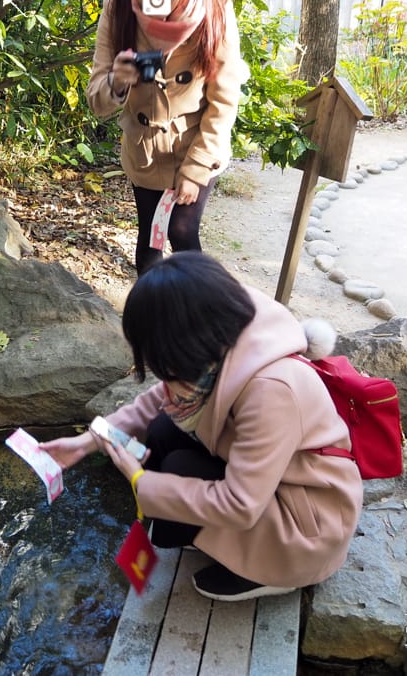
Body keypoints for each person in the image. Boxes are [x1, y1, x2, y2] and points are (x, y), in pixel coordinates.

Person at [39, 252, 363, 601]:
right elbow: (158, 400)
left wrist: (144, 484)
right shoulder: (222, 334)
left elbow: (240, 503)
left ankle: (272, 572)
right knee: (164, 429)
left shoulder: (272, 391)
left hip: (307, 528)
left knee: (179, 470)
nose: (159, 371)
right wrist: (89, 441)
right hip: (275, 484)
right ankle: (217, 538)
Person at [85, 0, 248, 276]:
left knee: (182, 232)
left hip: (196, 143)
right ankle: (153, 320)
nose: (153, 4)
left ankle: (199, 314)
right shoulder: (118, 7)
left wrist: (196, 168)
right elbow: (96, 98)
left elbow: (224, 101)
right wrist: (117, 80)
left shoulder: (214, 7)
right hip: (144, 151)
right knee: (150, 240)